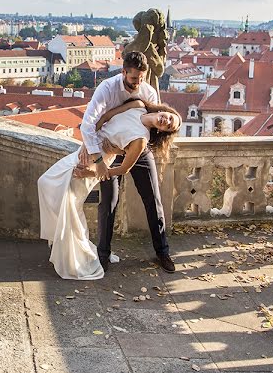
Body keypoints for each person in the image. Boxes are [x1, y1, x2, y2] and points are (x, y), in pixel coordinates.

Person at [38, 51, 181, 279]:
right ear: (123, 72)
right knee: (109, 202)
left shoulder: (147, 92)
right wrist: (94, 146)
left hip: (137, 150)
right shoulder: (107, 87)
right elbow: (92, 122)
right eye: (134, 79)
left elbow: (155, 124)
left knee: (153, 201)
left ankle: (162, 252)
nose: (138, 83)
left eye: (142, 78)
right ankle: (103, 255)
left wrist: (123, 147)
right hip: (108, 150)